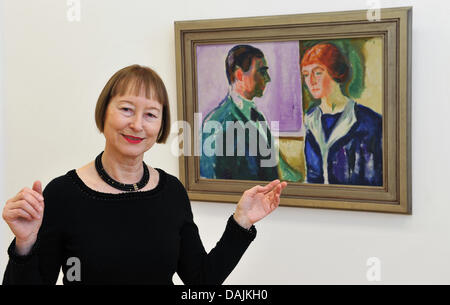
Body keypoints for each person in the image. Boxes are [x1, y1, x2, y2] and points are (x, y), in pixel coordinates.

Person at [2, 64, 287, 285]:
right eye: (126, 109)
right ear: (104, 112)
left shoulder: (171, 192)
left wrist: (241, 222)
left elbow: (202, 281)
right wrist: (25, 244)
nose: (137, 125)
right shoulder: (63, 194)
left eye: (151, 114)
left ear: (161, 125)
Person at [300, 42, 383, 186]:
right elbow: (312, 175)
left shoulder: (368, 121)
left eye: (318, 72)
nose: (311, 81)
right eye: (306, 75)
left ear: (335, 72)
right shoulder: (310, 120)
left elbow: (374, 179)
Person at [200, 44, 279, 181]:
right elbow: (212, 180)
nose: (268, 78)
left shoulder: (258, 116)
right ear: (239, 74)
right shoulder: (217, 122)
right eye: (262, 71)